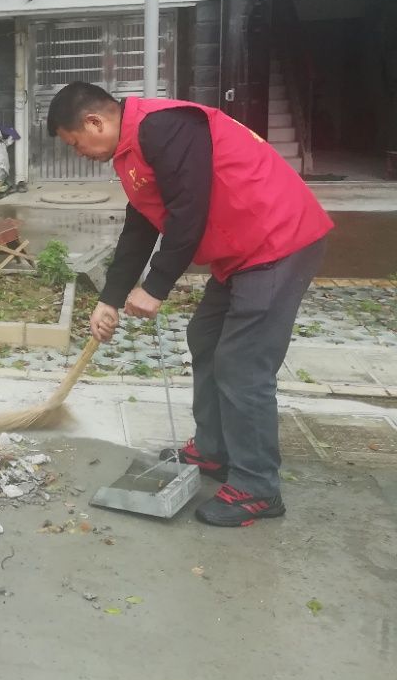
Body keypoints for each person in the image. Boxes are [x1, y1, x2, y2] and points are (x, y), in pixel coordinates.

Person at [47, 82, 332, 527]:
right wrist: (110, 299)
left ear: (94, 122)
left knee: (242, 363)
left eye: (75, 143)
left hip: (278, 239)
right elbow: (141, 226)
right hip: (240, 252)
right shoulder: (132, 150)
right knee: (205, 337)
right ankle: (214, 451)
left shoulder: (166, 127)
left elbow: (189, 209)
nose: (79, 153)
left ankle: (257, 487)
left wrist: (156, 287)